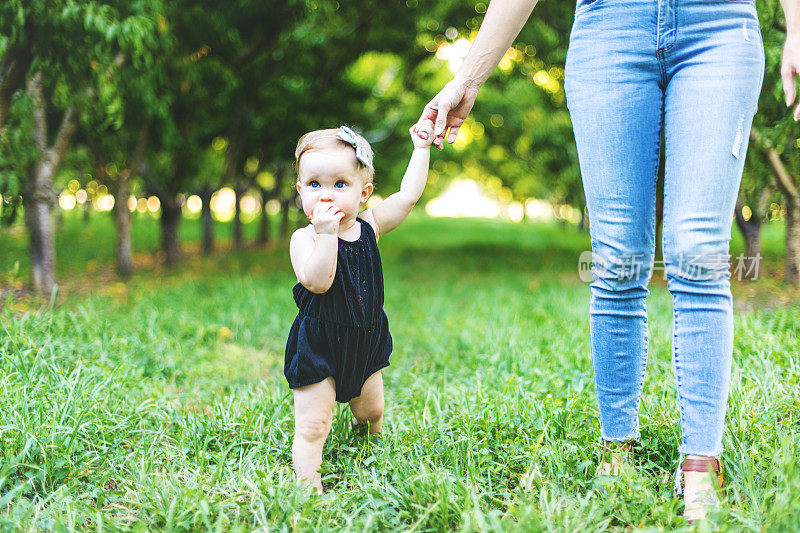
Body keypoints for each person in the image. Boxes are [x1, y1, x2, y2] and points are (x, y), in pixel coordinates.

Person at [419, 0, 800, 522]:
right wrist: (469, 76)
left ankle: (700, 465)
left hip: (719, 26)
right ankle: (616, 450)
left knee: (697, 250)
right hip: (610, 29)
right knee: (618, 258)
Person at [285, 122, 434, 493]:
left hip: (364, 345)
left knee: (371, 413)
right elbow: (318, 281)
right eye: (314, 184)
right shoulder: (304, 238)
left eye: (340, 184)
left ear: (364, 192)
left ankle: (368, 454)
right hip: (320, 344)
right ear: (300, 190)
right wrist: (325, 235)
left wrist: (421, 149)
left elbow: (408, 197)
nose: (326, 195)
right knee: (313, 425)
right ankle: (308, 487)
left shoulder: (370, 225)